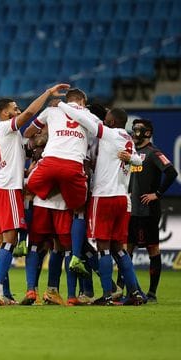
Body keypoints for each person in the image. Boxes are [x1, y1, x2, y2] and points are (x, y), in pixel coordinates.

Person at [0, 83, 69, 306]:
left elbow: (12, 160)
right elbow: (31, 113)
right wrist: (48, 94)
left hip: (0, 186)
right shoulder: (6, 127)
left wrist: (26, 172)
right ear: (5, 112)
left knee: (1, 240)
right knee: (10, 241)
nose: (18, 110)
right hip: (8, 189)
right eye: (14, 108)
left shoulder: (7, 134)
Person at [58, 103, 147, 305]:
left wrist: (62, 104)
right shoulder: (128, 139)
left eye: (107, 119)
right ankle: (135, 293)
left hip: (104, 197)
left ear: (112, 122)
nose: (104, 121)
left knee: (104, 248)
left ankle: (107, 294)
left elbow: (86, 121)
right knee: (119, 248)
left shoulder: (110, 134)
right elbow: (138, 160)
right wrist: (133, 159)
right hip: (123, 199)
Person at [24, 88, 94, 276]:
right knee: (79, 209)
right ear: (81, 102)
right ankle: (77, 258)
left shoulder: (51, 111)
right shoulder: (89, 116)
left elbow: (28, 132)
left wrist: (39, 136)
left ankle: (22, 239)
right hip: (73, 168)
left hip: (50, 164)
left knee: (26, 190)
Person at [125, 118, 179, 304]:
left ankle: (152, 293)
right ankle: (126, 291)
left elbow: (172, 172)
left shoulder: (153, 152)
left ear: (147, 133)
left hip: (148, 210)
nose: (134, 133)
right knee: (127, 248)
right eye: (133, 129)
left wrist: (157, 194)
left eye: (138, 130)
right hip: (131, 209)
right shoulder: (131, 153)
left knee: (152, 248)